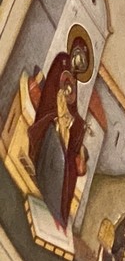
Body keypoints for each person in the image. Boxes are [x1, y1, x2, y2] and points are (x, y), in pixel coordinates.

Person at [24, 29, 93, 228]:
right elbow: (51, 91)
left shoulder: (75, 81)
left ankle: (61, 211)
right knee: (62, 157)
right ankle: (49, 190)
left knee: (70, 167)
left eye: (83, 62)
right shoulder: (61, 62)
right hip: (51, 118)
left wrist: (80, 124)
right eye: (79, 56)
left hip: (63, 123)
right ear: (74, 50)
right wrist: (58, 113)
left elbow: (73, 109)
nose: (79, 62)